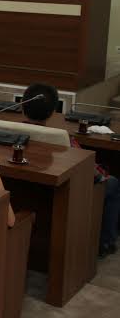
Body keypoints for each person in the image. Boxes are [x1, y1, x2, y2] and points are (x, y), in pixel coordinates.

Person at [21, 83, 120, 257]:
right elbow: (94, 173)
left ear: (23, 106)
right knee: (112, 183)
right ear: (53, 111)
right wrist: (103, 174)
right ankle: (105, 243)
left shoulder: (5, 130)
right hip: (64, 195)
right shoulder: (64, 139)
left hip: (27, 194)